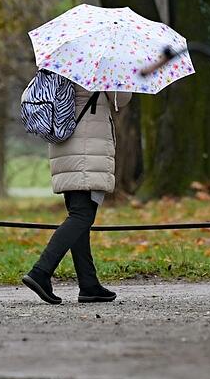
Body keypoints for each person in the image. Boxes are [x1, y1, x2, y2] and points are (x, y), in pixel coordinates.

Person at [22, 86, 130, 304]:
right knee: (82, 216)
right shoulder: (99, 66)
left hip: (65, 144)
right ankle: (41, 272)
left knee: (79, 217)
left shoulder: (64, 65)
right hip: (87, 148)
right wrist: (122, 79)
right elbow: (122, 100)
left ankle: (89, 284)